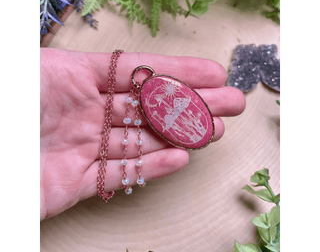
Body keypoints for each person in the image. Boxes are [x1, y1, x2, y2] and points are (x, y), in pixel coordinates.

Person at [40, 48, 246, 220]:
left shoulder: (163, 96)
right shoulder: (153, 99)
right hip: (173, 115)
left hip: (184, 117)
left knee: (193, 124)